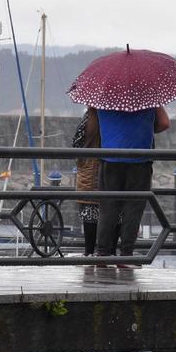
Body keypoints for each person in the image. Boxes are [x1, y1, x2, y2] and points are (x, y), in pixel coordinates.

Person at [95, 105, 170, 261]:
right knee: (133, 209)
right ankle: (126, 255)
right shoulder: (147, 95)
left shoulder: (103, 96)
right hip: (139, 158)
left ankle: (102, 254)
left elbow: (96, 121)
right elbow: (164, 123)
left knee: (108, 209)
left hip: (110, 157)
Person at [72, 107, 101, 255]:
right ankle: (107, 253)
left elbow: (76, 143)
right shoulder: (113, 116)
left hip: (89, 169)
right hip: (108, 169)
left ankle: (89, 253)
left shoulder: (90, 117)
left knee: (89, 213)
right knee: (112, 213)